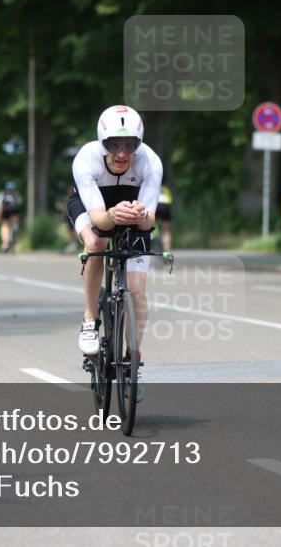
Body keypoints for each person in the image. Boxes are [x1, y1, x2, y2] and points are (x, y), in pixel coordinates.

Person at [66, 105, 162, 403]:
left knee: (137, 292)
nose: (121, 153)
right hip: (94, 208)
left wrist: (140, 214)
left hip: (133, 210)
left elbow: (149, 221)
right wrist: (112, 215)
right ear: (102, 143)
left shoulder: (150, 162)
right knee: (96, 243)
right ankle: (90, 318)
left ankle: (133, 362)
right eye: (113, 145)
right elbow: (98, 218)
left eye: (130, 145)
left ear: (139, 144)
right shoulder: (86, 158)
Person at [0, 181, 22, 253]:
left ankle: (5, 244)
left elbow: (0, 206)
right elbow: (19, 205)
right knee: (13, 222)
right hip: (15, 210)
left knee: (4, 226)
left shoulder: (2, 194)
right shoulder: (16, 194)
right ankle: (15, 227)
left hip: (5, 211)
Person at [156, 184, 174, 252]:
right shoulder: (166, 189)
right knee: (166, 231)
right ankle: (167, 252)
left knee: (148, 225)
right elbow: (171, 200)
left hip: (155, 205)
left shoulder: (151, 187)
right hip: (165, 206)